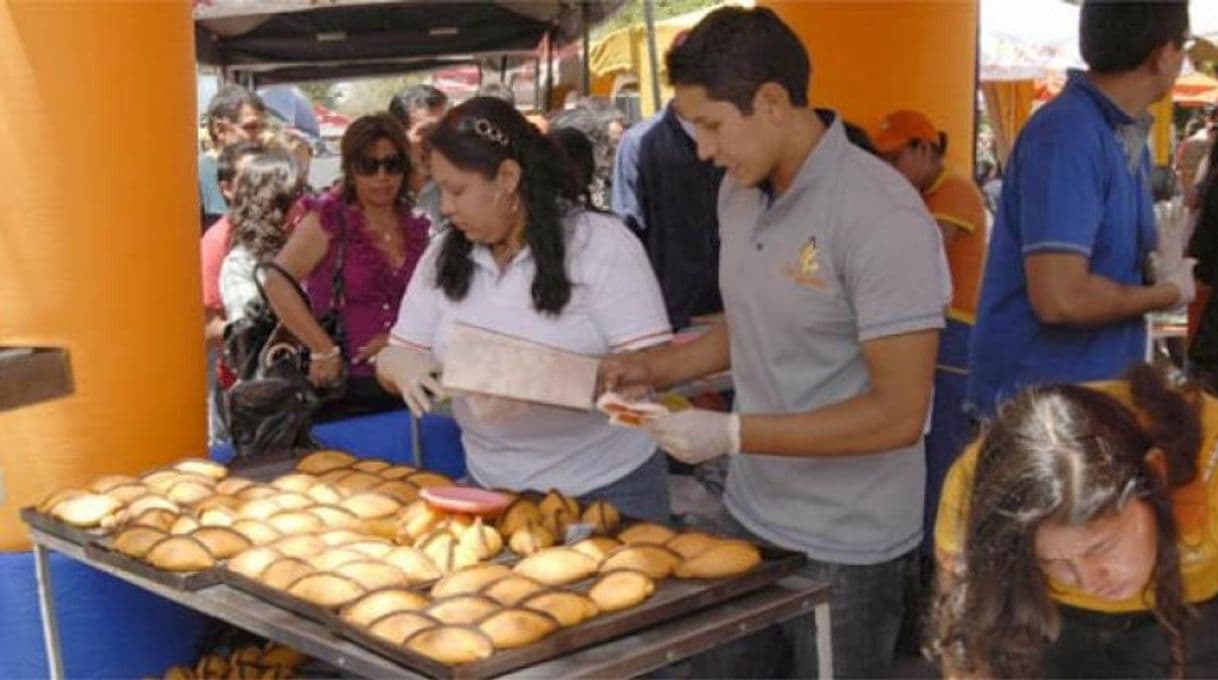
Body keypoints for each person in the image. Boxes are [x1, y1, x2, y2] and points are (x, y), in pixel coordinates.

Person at [600, 7, 949, 677]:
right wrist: (652, 368)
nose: (703, 150)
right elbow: (752, 327)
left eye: (710, 125)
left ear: (771, 103)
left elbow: (900, 414)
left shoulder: (881, 216)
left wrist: (731, 434)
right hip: (753, 508)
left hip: (850, 540)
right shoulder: (738, 192)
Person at [375, 97, 673, 520]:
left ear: (508, 178)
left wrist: (539, 377)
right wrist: (398, 364)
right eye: (439, 188)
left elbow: (652, 369)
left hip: (605, 490)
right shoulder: (443, 254)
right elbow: (402, 354)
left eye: (458, 190)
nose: (445, 206)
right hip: (492, 488)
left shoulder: (601, 246)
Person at [966, 0, 1195, 419]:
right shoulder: (1068, 133)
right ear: (1163, 54)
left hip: (1088, 401)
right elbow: (1060, 297)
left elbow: (1105, 270)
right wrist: (1167, 293)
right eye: (1185, 48)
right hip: (1038, 415)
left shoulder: (1126, 138)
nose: (1184, 61)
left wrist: (1159, 265)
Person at [931, 364, 1218, 677]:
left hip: (1196, 605)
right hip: (1051, 612)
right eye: (1053, 561)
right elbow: (967, 641)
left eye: (1102, 547)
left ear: (1156, 474)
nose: (1089, 580)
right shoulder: (976, 490)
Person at [263, 113, 430, 422]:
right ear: (351, 170)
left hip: (409, 382)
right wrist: (322, 348)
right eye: (369, 166)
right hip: (345, 388)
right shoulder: (328, 219)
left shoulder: (416, 224)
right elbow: (276, 281)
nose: (382, 176)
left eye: (392, 165)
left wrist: (398, 339)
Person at [871, 108, 989, 545]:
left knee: (942, 454)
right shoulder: (920, 196)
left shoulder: (953, 192)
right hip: (933, 333)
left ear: (923, 149)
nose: (888, 171)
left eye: (893, 159)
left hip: (954, 334)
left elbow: (916, 256)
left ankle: (936, 559)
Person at [218, 150, 302, 323]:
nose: (303, 207)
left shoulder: (316, 249)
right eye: (294, 199)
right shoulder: (241, 264)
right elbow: (251, 332)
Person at [200, 85, 267, 232]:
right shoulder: (196, 177)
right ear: (220, 129)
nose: (262, 136)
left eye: (263, 127)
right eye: (251, 127)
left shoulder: (265, 173)